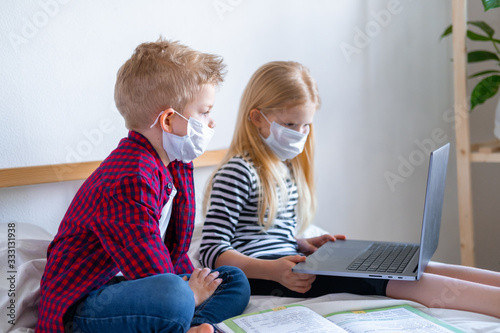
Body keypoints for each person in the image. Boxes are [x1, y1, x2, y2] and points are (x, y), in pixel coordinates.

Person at [199, 60, 500, 319]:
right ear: (256, 118)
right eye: (291, 124)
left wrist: (302, 243)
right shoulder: (237, 171)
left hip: (289, 264)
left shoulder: (284, 166)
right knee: (398, 280)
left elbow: (264, 231)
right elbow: (212, 251)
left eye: (305, 126)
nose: (300, 134)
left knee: (421, 266)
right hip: (265, 278)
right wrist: (274, 270)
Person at [37, 38, 250, 333]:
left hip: (141, 287)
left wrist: (193, 283)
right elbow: (150, 268)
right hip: (88, 303)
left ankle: (191, 326)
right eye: (203, 112)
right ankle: (185, 318)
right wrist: (189, 292)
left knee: (233, 280)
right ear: (167, 121)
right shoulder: (129, 176)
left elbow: (171, 253)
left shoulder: (174, 163)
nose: (211, 122)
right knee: (174, 295)